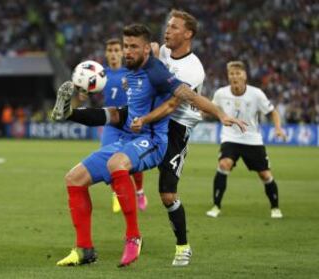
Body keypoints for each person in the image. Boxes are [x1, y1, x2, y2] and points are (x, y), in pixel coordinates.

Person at [53, 24, 246, 268]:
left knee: (119, 165)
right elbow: (117, 114)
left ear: (146, 49)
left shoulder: (155, 72)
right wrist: (72, 113)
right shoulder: (130, 73)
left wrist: (220, 113)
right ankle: (84, 250)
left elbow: (189, 95)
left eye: (133, 47)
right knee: (74, 178)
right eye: (126, 46)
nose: (127, 52)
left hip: (154, 141)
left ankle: (134, 237)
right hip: (127, 138)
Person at [131, 9, 205, 266]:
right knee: (118, 159)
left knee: (167, 195)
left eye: (174, 27)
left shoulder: (194, 69)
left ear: (188, 34)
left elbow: (173, 105)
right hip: (154, 118)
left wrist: (145, 119)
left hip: (176, 127)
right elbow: (151, 53)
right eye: (168, 26)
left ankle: (183, 246)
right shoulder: (163, 51)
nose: (168, 30)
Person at [205, 61, 286, 219]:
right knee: (224, 164)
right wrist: (198, 114)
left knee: (265, 175)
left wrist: (277, 128)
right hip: (230, 137)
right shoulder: (221, 93)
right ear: (228, 76)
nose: (235, 76)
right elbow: (211, 109)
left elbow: (273, 112)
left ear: (245, 76)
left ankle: (275, 207)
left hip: (252, 139)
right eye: (231, 74)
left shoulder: (256, 94)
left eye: (238, 73)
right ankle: (216, 206)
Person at [102, 38, 147, 213]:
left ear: (121, 53)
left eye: (116, 50)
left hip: (130, 121)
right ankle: (116, 196)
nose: (113, 54)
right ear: (106, 54)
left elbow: (143, 92)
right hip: (112, 122)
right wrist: (83, 95)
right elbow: (88, 91)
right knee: (108, 159)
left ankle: (140, 192)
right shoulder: (101, 75)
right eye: (110, 50)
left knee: (132, 159)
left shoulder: (130, 72)